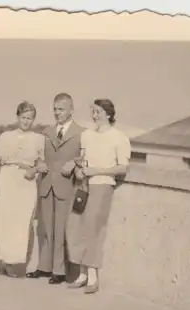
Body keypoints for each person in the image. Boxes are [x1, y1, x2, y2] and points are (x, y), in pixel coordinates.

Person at [66, 99, 131, 294]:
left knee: (94, 229)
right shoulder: (86, 136)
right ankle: (82, 274)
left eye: (99, 112)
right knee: (75, 226)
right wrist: (79, 171)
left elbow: (122, 168)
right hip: (83, 187)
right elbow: (82, 160)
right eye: (93, 111)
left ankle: (93, 277)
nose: (95, 115)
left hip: (102, 186)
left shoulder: (119, 138)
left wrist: (96, 171)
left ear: (109, 114)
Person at [27, 93, 84, 284]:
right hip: (46, 184)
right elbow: (36, 155)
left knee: (61, 230)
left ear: (71, 110)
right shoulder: (46, 132)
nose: (57, 113)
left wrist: (75, 164)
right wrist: (40, 162)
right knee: (45, 228)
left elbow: (86, 158)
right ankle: (43, 267)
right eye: (55, 109)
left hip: (66, 187)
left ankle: (59, 271)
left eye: (61, 109)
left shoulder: (81, 133)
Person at [0, 101, 47, 281]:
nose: (26, 121)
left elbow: (42, 164)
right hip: (7, 179)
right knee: (0, 220)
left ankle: (11, 263)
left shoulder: (38, 139)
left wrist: (33, 170)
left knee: (20, 225)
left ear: (33, 120)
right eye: (23, 117)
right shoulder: (5, 137)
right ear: (17, 117)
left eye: (29, 118)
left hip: (26, 185)